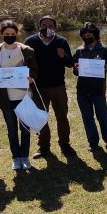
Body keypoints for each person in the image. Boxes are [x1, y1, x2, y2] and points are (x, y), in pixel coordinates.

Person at [0, 20, 41, 171]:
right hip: (6, 98)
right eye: (6, 34)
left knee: (25, 128)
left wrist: (32, 78)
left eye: (12, 34)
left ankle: (25, 157)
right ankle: (16, 158)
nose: (9, 36)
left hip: (24, 96)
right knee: (11, 129)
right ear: (1, 34)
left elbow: (35, 70)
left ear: (17, 33)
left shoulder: (27, 50)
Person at [24, 15, 76, 158]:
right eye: (44, 25)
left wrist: (63, 56)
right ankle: (44, 147)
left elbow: (70, 63)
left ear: (55, 27)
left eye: (51, 26)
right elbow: (24, 63)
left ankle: (65, 144)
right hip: (38, 87)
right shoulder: (30, 42)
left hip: (58, 86)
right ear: (39, 26)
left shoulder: (61, 41)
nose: (48, 28)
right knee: (41, 117)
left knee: (62, 117)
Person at [72, 22, 107, 151]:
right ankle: (93, 143)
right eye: (84, 35)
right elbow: (76, 72)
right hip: (82, 91)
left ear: (95, 35)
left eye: (89, 35)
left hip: (98, 91)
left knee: (103, 117)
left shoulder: (105, 50)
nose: (87, 37)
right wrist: (75, 68)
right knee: (87, 118)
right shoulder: (79, 51)